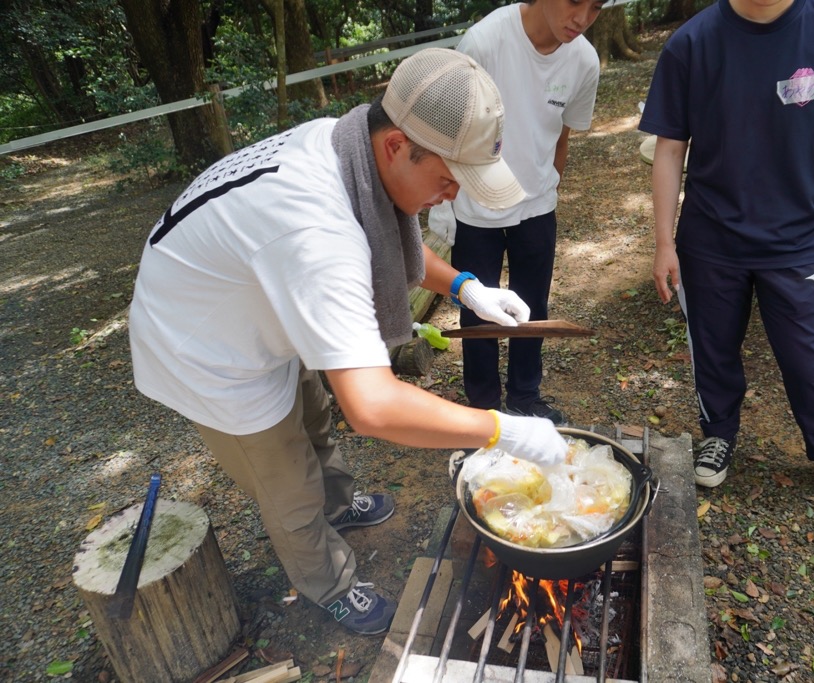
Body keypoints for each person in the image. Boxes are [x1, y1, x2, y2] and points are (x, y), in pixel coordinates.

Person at [128, 48, 570, 636]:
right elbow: (374, 407)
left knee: (311, 414)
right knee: (286, 478)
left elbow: (393, 236)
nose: (452, 196)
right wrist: (505, 429)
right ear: (395, 147)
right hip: (206, 347)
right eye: (447, 180)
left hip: (254, 299)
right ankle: (327, 581)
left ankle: (339, 503)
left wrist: (465, 286)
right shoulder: (316, 233)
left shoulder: (347, 145)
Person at [639, 0, 814, 515]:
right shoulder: (692, 42)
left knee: (810, 356)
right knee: (713, 346)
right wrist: (664, 242)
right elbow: (669, 147)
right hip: (711, 236)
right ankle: (719, 433)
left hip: (798, 236)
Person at [430, 0, 604, 425]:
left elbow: (561, 136)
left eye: (596, 7)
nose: (581, 18)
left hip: (538, 205)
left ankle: (526, 395)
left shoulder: (583, 59)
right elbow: (450, 131)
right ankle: (485, 405)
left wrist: (548, 188)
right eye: (574, 2)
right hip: (476, 205)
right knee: (477, 307)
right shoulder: (484, 43)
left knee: (533, 305)